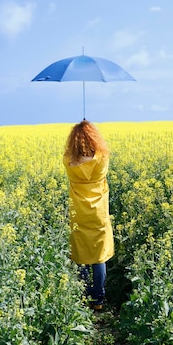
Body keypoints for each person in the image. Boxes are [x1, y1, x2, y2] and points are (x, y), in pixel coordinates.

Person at [63, 120, 114, 310]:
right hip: (98, 214)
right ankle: (98, 299)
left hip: (78, 213)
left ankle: (83, 296)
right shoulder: (101, 160)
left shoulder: (69, 162)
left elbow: (68, 155)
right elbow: (103, 153)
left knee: (80, 253)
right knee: (98, 256)